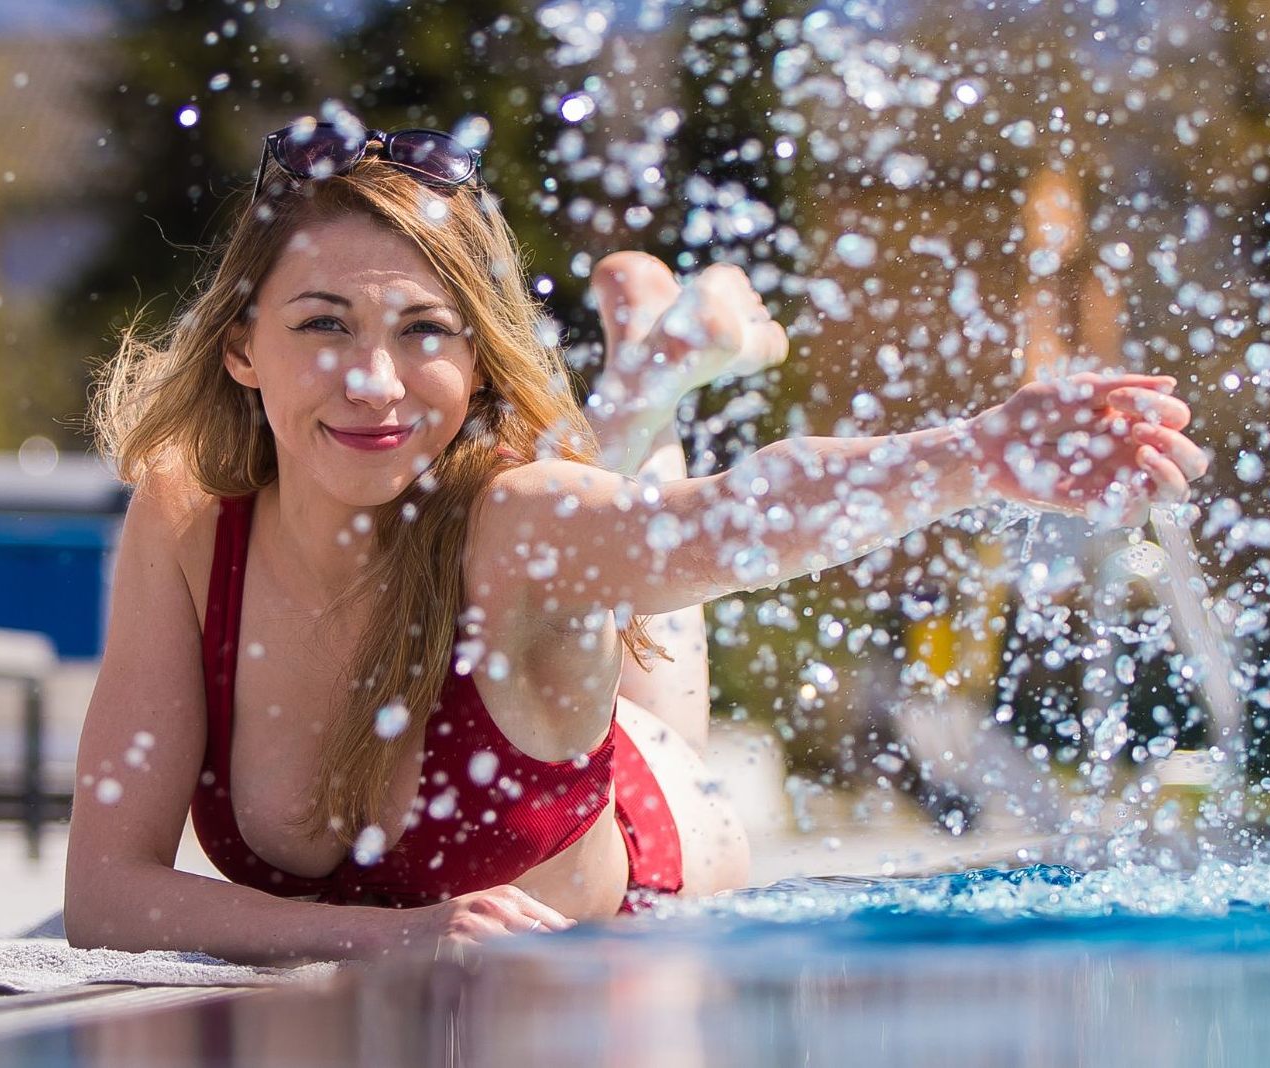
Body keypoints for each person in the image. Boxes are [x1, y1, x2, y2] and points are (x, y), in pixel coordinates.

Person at [64, 116, 1208, 965]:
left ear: (473, 364)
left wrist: (974, 454)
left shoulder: (520, 522)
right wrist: (387, 939)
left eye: (425, 332)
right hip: (539, 644)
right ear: (239, 347)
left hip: (655, 822)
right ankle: (649, 376)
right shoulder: (183, 516)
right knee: (587, 535)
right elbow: (106, 895)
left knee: (620, 568)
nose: (375, 383)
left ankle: (651, 387)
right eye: (324, 325)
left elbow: (738, 516)